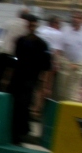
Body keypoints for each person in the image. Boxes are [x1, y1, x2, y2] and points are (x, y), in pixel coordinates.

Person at [7, 15, 51, 144]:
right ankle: (16, 133)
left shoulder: (41, 44)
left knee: (23, 106)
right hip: (18, 78)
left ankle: (19, 134)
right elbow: (15, 60)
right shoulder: (20, 41)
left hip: (29, 80)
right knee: (16, 106)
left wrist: (44, 86)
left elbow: (46, 67)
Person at [55, 11, 82, 102]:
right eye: (74, 17)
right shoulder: (65, 30)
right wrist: (56, 62)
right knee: (62, 92)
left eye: (78, 18)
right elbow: (58, 49)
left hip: (81, 67)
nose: (75, 19)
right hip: (66, 66)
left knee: (74, 94)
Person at [0, 8, 29, 91]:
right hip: (13, 54)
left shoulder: (9, 22)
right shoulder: (26, 25)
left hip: (1, 51)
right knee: (10, 79)